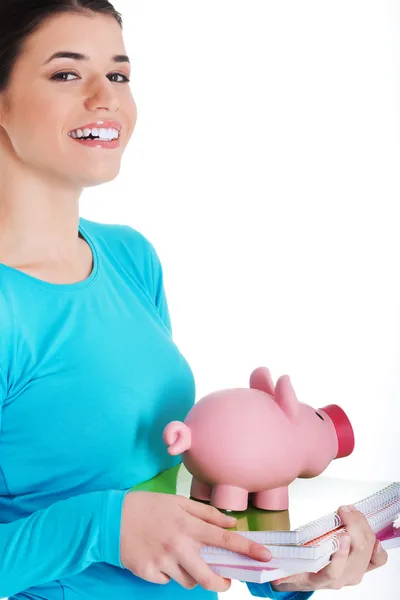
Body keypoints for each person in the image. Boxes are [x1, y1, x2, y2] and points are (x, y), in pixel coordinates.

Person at [0, 1, 388, 599]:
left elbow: (167, 493)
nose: (107, 97)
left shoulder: (130, 259)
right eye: (67, 73)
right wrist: (101, 527)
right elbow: (115, 523)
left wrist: (282, 565)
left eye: (120, 74)